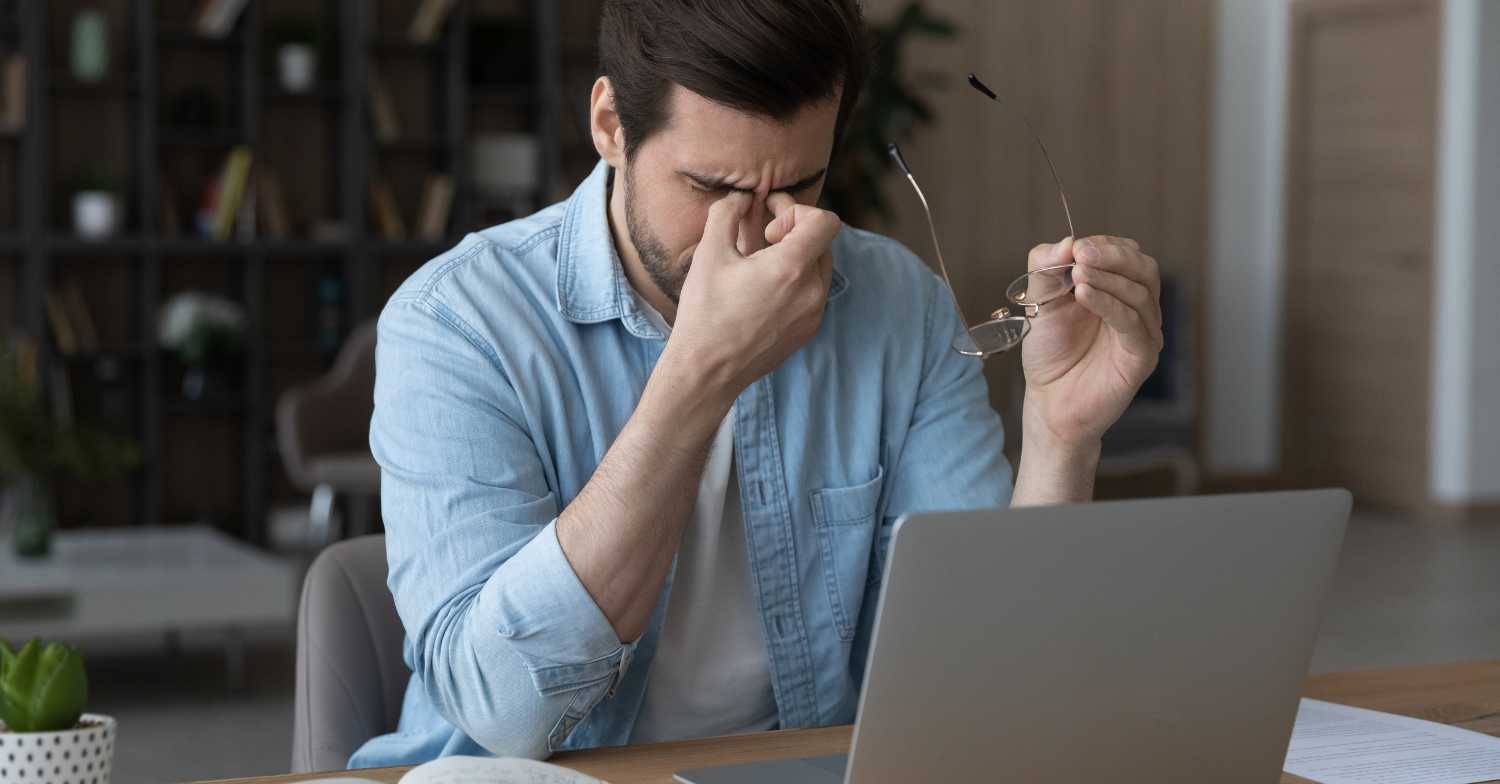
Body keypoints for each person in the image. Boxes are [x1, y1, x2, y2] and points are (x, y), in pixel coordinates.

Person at [349, 0, 1162, 768]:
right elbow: (504, 715)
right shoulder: (458, 322)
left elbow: (987, 680)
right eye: (709, 187)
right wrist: (704, 371)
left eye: (801, 186)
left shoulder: (900, 306)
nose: (761, 230)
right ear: (609, 125)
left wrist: (1061, 436)